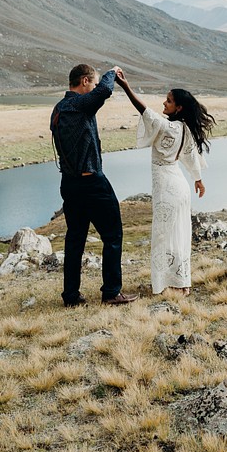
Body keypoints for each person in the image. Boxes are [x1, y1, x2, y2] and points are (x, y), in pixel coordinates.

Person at [114, 69, 215, 296]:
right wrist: (198, 180)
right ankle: (182, 283)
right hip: (180, 186)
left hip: (166, 188)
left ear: (179, 107)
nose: (164, 102)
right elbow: (191, 157)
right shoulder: (186, 129)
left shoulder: (168, 126)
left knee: (162, 235)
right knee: (179, 234)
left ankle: (162, 285)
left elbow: (143, 110)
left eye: (169, 101)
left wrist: (125, 87)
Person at [50, 64, 138, 307]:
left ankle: (71, 297)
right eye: (94, 83)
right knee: (112, 235)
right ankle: (111, 292)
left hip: (69, 184)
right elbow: (104, 92)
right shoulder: (79, 105)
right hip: (92, 182)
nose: (96, 87)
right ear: (85, 81)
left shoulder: (58, 109)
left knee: (75, 239)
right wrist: (112, 73)